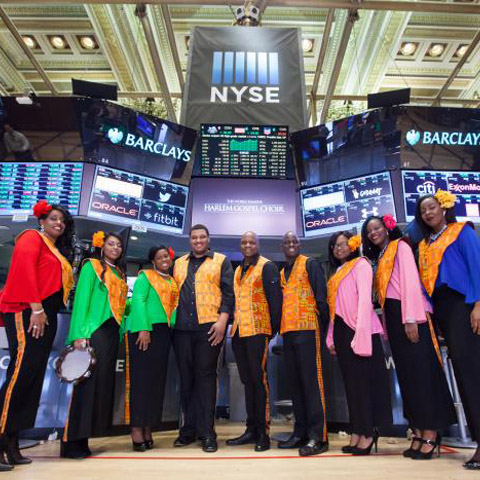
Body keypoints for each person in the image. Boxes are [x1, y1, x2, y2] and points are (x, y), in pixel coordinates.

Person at [362, 215, 456, 460]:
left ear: (386, 228)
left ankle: (431, 433)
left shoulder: (400, 247)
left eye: (377, 228)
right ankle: (417, 429)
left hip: (410, 315)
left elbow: (410, 283)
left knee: (423, 375)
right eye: (369, 231)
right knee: (408, 378)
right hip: (393, 317)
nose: (374, 233)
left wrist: (411, 318)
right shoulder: (381, 255)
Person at [0, 200, 74, 470]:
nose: (58, 223)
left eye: (62, 221)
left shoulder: (55, 249)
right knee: (19, 377)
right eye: (54, 218)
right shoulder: (31, 237)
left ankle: (12, 442)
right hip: (27, 310)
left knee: (30, 379)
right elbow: (24, 272)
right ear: (42, 220)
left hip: (45, 315)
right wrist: (36, 308)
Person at [416, 190, 480, 470]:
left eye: (432, 207)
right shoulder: (425, 244)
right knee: (464, 380)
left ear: (443, 208)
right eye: (423, 211)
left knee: (473, 376)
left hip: (463, 305)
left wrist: (478, 303)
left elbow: (477, 267)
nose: (428, 213)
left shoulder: (461, 232)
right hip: (441, 310)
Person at [61, 231, 128, 459]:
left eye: (118, 245)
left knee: (99, 387)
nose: (115, 248)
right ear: (102, 246)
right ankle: (71, 442)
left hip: (111, 333)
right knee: (85, 387)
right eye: (111, 244)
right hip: (93, 331)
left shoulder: (118, 273)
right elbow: (81, 299)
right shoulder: (92, 267)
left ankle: (84, 439)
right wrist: (80, 333)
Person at [326, 231, 392, 455]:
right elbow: (334, 308)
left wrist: (361, 334)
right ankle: (357, 430)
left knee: (364, 386)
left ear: (353, 245)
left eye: (343, 244)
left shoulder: (361, 264)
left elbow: (365, 301)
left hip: (360, 330)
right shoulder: (337, 272)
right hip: (343, 330)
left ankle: (367, 433)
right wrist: (330, 336)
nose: (339, 248)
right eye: (335, 245)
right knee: (352, 387)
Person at [172, 224, 234, 453]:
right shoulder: (178, 263)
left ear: (208, 239)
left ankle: (208, 433)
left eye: (202, 237)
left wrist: (222, 321)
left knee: (206, 379)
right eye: (194, 237)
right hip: (180, 330)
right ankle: (188, 430)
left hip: (209, 327)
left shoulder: (221, 261)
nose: (198, 241)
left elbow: (229, 293)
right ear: (190, 240)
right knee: (186, 380)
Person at [226, 232, 282, 452]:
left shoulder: (267, 267)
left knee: (260, 383)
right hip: (239, 332)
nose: (247, 245)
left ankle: (263, 433)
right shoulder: (239, 269)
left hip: (259, 331)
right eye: (244, 242)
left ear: (258, 245)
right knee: (248, 382)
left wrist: (271, 331)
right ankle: (251, 430)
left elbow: (275, 300)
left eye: (252, 242)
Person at [277, 231, 328, 456]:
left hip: (308, 329)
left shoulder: (310, 264)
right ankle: (300, 433)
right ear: (282, 246)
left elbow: (321, 298)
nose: (290, 244)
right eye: (286, 242)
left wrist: (326, 331)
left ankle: (318, 437)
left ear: (299, 244)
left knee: (311, 384)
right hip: (288, 333)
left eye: (294, 241)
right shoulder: (281, 273)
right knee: (296, 386)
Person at [125, 245, 178, 451]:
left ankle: (148, 427)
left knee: (156, 382)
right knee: (141, 382)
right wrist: (143, 328)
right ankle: (136, 428)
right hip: (145, 331)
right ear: (153, 261)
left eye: (166, 256)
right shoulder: (145, 276)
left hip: (164, 333)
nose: (164, 259)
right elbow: (138, 300)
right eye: (159, 257)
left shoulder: (172, 281)